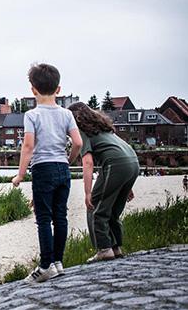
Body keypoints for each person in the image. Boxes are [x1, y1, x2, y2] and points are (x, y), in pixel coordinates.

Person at [12, 63, 82, 283]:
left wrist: (20, 175)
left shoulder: (32, 115)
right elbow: (78, 143)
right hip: (62, 168)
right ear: (58, 89)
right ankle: (58, 263)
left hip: (43, 168)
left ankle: (45, 266)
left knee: (43, 218)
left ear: (33, 89)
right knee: (60, 216)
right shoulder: (67, 114)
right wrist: (67, 161)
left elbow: (28, 147)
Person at [68, 102, 140, 263]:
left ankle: (104, 249)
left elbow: (87, 162)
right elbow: (120, 150)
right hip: (133, 163)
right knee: (112, 210)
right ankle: (116, 248)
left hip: (116, 165)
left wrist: (88, 193)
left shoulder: (82, 131)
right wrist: (126, 184)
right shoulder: (103, 128)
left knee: (95, 208)